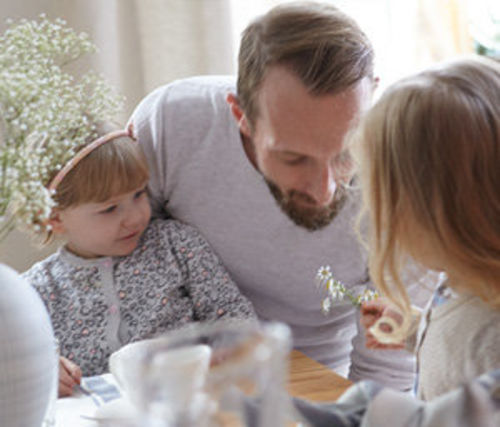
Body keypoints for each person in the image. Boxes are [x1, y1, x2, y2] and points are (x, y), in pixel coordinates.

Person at [129, 1, 436, 390]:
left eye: (346, 153)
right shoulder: (171, 125)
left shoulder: (408, 185)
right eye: (293, 158)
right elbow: (113, 258)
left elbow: (384, 372)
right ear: (241, 116)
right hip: (180, 373)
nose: (324, 189)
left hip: (323, 380)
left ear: (372, 98)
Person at [22, 122, 256, 396]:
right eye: (110, 209)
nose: (134, 216)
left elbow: (232, 312)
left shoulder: (176, 245)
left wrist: (225, 349)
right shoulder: (35, 290)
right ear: (54, 218)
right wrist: (44, 370)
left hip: (188, 404)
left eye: (139, 194)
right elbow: (18, 362)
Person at [352, 56, 500, 402]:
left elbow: (470, 349)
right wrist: (415, 330)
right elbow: (458, 344)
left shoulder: (489, 344)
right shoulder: (467, 281)